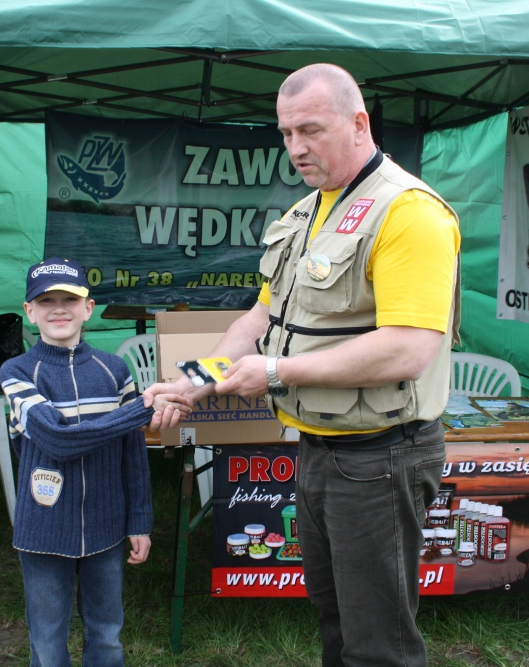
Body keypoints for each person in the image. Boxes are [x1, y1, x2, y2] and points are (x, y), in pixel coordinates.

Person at [145, 63, 461, 667]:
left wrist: (275, 373)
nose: (295, 148)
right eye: (287, 133)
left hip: (381, 456)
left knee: (379, 641)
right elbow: (259, 318)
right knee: (335, 615)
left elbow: (409, 348)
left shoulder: (407, 212)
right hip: (318, 446)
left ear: (359, 123)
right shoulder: (309, 211)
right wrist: (196, 381)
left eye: (310, 130)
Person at [0, 257, 189, 667]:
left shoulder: (114, 370)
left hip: (107, 526)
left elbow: (132, 454)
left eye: (70, 299)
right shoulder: (17, 372)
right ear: (29, 311)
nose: (58, 309)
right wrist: (143, 408)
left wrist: (139, 521)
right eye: (46, 300)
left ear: (88, 308)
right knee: (47, 642)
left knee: (106, 637)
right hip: (43, 531)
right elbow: (57, 440)